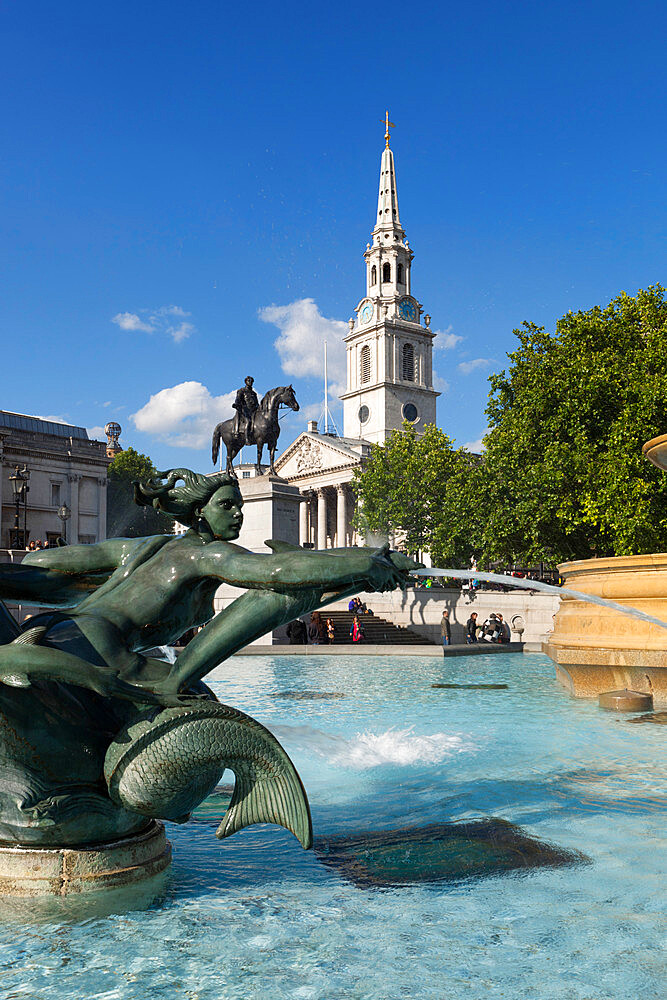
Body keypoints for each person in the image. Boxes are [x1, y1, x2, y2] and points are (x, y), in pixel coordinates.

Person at [0, 468, 416, 704]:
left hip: (52, 630)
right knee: (201, 703)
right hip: (106, 653)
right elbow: (277, 576)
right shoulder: (210, 554)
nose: (237, 515)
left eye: (239, 504)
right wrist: (364, 562)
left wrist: (364, 563)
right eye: (226, 505)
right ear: (199, 513)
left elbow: (45, 564)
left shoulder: (146, 546)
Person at [232, 376, 259, 446]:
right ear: (246, 382)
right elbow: (238, 399)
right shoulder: (241, 390)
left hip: (254, 411)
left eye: (251, 381)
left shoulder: (254, 393)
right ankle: (247, 439)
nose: (250, 382)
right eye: (248, 381)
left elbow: (257, 403)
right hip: (245, 410)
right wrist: (237, 404)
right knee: (249, 421)